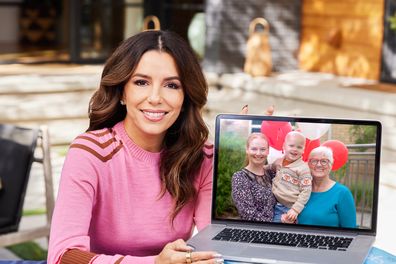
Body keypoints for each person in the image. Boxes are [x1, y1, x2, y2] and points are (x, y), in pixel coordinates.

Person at [47, 30, 224, 264]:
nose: (155, 97)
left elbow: (218, 247)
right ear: (122, 91)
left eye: (171, 85)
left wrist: (244, 160)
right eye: (141, 82)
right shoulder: (90, 153)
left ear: (185, 98)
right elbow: (62, 257)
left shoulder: (203, 157)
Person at [298, 146, 357, 228]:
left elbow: (350, 230)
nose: (319, 165)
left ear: (331, 165)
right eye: (314, 161)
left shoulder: (342, 193)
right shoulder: (300, 188)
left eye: (324, 161)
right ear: (308, 164)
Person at [231, 133, 277, 222]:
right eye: (254, 149)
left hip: (277, 229)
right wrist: (275, 225)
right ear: (247, 150)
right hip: (254, 230)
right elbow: (248, 214)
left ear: (268, 151)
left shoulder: (272, 174)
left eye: (263, 149)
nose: (258, 153)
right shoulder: (240, 177)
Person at [271, 131, 312, 223]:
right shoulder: (279, 161)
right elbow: (270, 167)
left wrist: (295, 209)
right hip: (275, 203)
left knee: (278, 227)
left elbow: (306, 191)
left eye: (299, 147)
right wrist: (261, 169)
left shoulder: (303, 169)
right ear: (284, 146)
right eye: (291, 146)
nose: (295, 149)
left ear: (304, 150)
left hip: (288, 208)